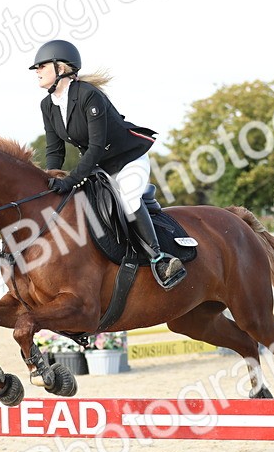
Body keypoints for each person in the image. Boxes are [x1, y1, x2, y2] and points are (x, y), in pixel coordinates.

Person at [31, 39, 185, 289]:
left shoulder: (89, 95)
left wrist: (70, 179)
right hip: (100, 168)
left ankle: (160, 258)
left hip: (127, 160)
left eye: (42, 66)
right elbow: (54, 149)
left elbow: (95, 146)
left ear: (61, 69)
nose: (37, 71)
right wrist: (50, 177)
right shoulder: (47, 105)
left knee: (128, 200)